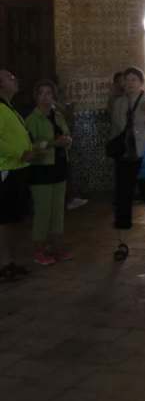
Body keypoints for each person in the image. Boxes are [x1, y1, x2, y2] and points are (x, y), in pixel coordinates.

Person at [109, 66, 145, 259]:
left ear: (141, 82)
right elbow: (116, 128)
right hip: (126, 157)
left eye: (134, 79)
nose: (130, 83)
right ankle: (122, 243)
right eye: (127, 80)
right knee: (122, 198)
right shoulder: (118, 103)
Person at [25, 80, 73, 265]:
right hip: (41, 170)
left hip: (59, 167)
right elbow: (30, 146)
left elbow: (66, 134)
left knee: (57, 212)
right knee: (43, 212)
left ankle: (57, 248)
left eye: (49, 93)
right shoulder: (32, 120)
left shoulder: (58, 116)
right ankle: (39, 250)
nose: (46, 97)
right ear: (36, 97)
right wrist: (54, 143)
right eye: (42, 93)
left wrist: (67, 140)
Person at [0, 70, 35, 280]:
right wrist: (21, 153)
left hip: (17, 169)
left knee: (12, 220)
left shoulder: (8, 107)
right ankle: (3, 265)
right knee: (3, 221)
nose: (15, 79)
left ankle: (9, 262)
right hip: (6, 170)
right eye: (9, 77)